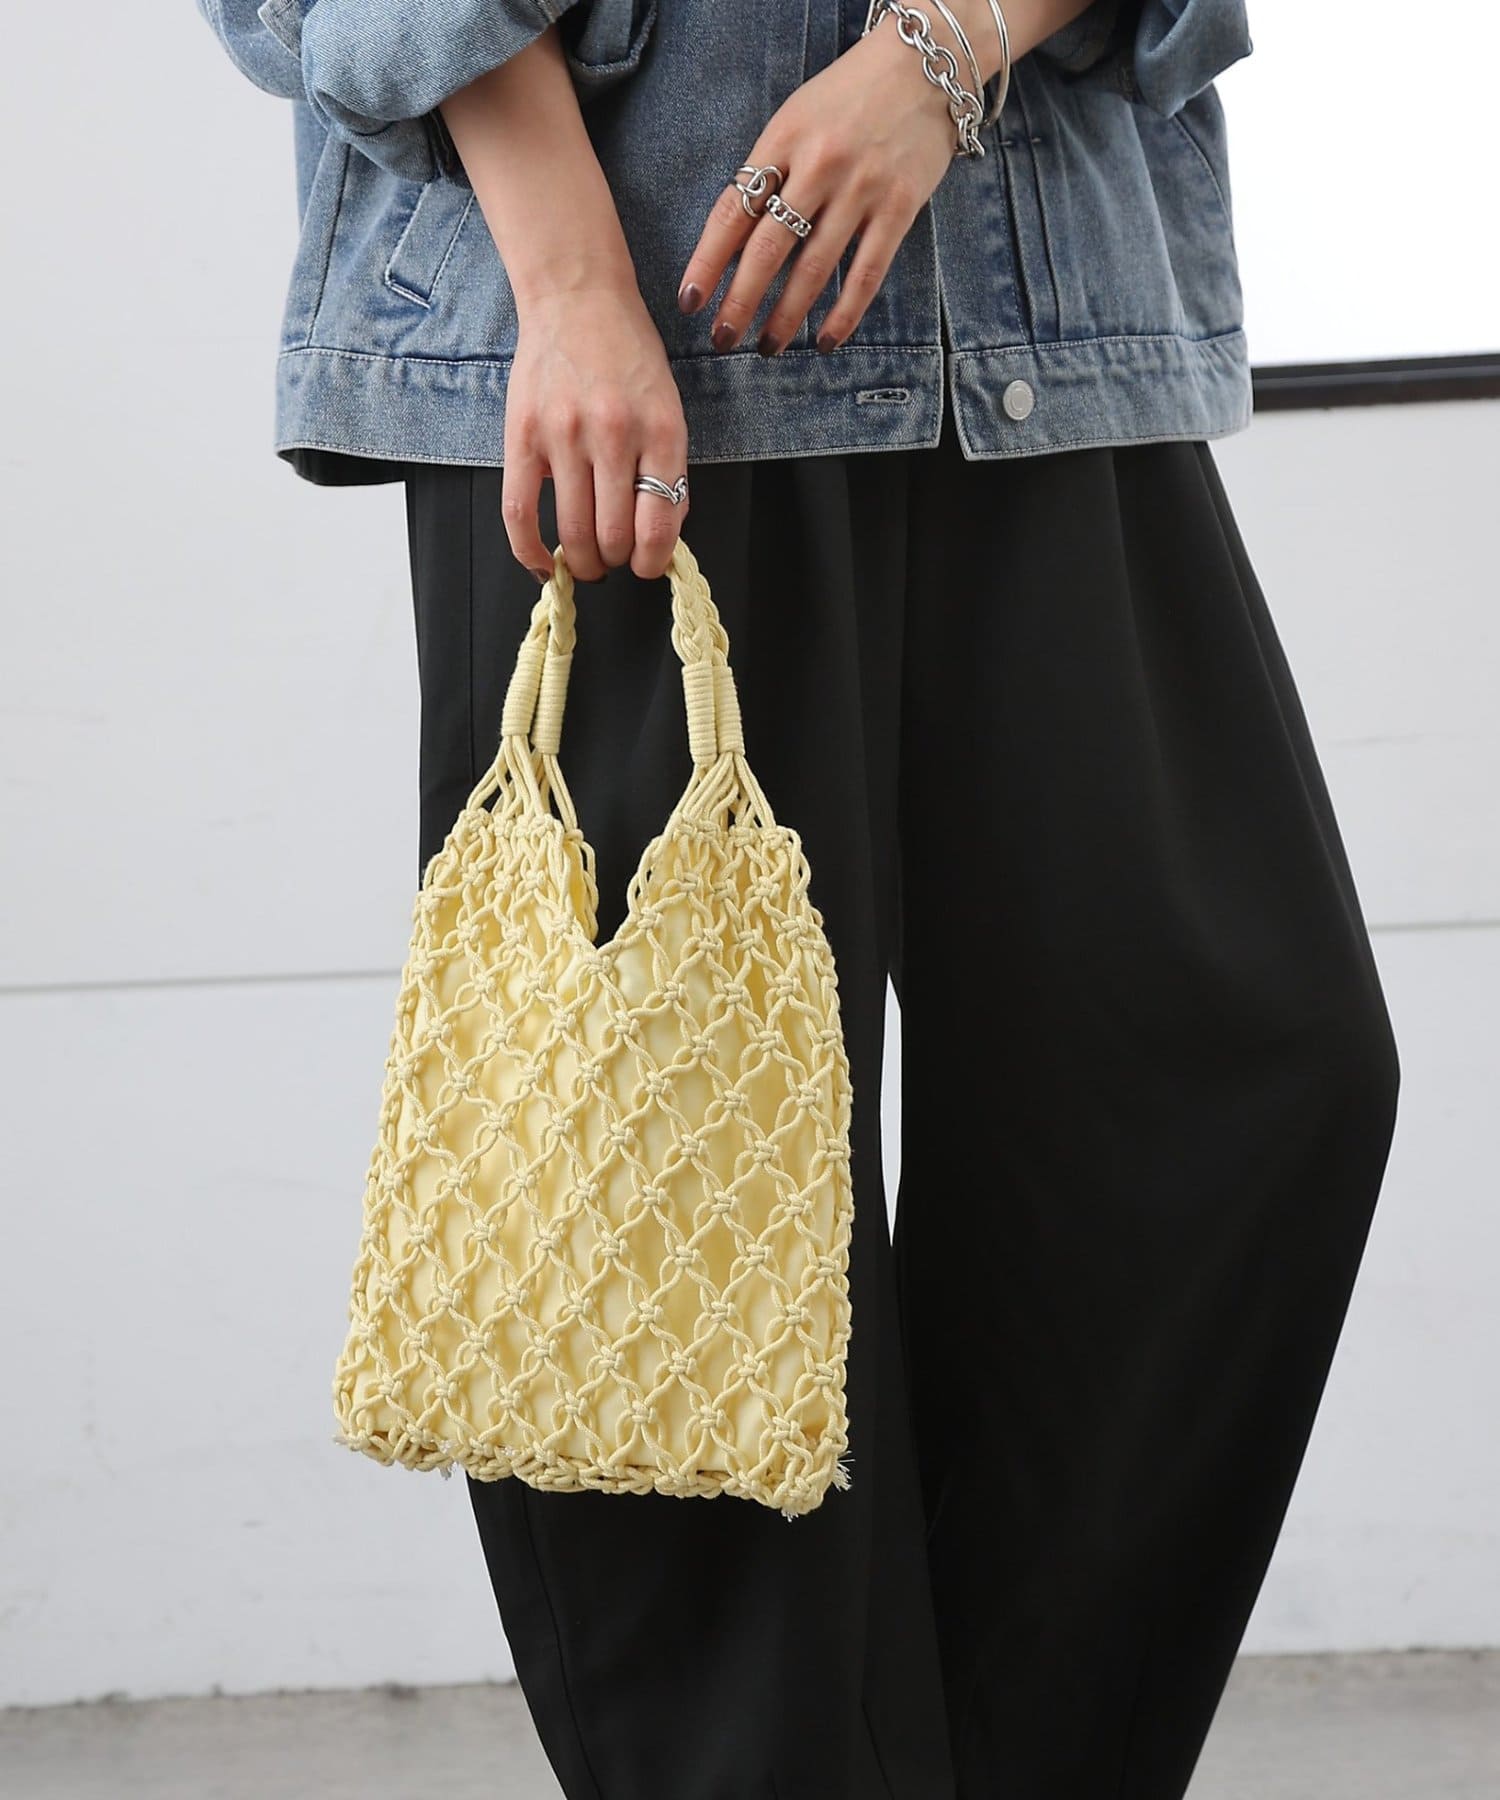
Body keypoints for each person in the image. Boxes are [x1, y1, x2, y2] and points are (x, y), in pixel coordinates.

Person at [198, 3, 1402, 1796]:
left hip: (1035, 305)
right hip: (629, 343)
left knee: (1235, 1082)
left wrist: (945, 53)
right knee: (656, 1211)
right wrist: (569, 282)